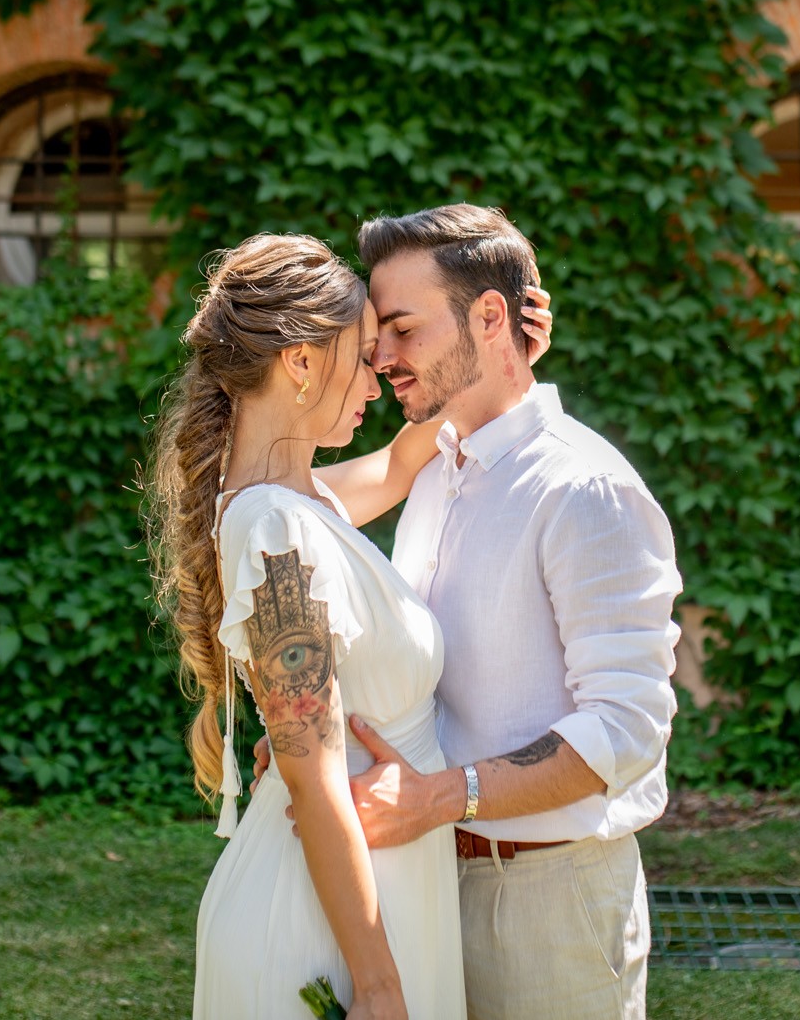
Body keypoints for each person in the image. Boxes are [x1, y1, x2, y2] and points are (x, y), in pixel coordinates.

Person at [262, 205, 682, 1019]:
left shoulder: (583, 489)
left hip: (547, 903)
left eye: (401, 330)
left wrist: (441, 797)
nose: (380, 357)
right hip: (427, 879)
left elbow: (628, 727)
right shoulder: (436, 469)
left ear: (490, 316)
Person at [147, 232, 551, 1020]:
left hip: (383, 888)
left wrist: (500, 349)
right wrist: (377, 985)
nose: (379, 377)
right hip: (324, 929)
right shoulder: (274, 530)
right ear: (300, 362)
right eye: (364, 355)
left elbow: (407, 460)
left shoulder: (300, 504)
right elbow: (313, 777)